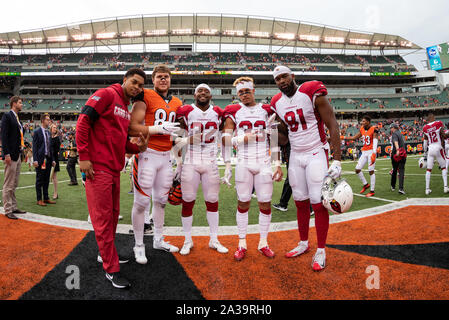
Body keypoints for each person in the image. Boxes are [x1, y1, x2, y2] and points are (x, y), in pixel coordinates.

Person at [76, 68, 148, 289]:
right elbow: (82, 122)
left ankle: (105, 255)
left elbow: (120, 143)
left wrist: (138, 147)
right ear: (124, 80)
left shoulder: (125, 107)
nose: (137, 87)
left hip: (113, 169)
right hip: (98, 169)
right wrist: (84, 156)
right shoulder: (107, 94)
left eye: (140, 85)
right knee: (104, 220)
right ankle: (111, 268)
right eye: (134, 82)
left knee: (113, 217)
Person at [271, 65, 342, 271]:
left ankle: (321, 249)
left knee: (318, 204)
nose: (282, 81)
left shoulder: (311, 91)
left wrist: (336, 160)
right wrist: (272, 132)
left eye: (284, 76)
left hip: (315, 152)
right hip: (296, 155)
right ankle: (303, 243)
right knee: (300, 202)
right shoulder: (277, 102)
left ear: (292, 76)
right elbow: (283, 138)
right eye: (277, 79)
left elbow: (333, 125)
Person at [221, 76, 283, 261]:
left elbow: (273, 139)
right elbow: (224, 140)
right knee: (243, 203)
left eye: (247, 91)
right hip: (244, 163)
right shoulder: (234, 112)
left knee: (265, 203)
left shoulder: (265, 110)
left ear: (253, 90)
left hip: (264, 162)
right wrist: (242, 139)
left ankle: (263, 242)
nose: (244, 95)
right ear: (237, 94)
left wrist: (277, 163)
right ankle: (242, 243)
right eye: (240, 92)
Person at [128, 64, 183, 264]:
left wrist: (179, 159)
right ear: (153, 79)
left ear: (170, 79)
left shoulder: (177, 102)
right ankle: (139, 245)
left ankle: (158, 240)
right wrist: (158, 129)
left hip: (166, 157)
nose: (163, 80)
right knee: (141, 202)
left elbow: (179, 134)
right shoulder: (145, 96)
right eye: (159, 76)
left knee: (161, 201)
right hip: (147, 155)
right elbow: (132, 128)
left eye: (166, 77)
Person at [175, 83, 228, 255]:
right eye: (200, 91)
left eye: (206, 91)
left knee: (212, 200)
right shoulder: (185, 111)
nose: (203, 93)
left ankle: (214, 239)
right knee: (188, 200)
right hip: (191, 160)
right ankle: (187, 240)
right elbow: (177, 139)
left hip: (211, 161)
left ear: (211, 96)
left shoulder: (219, 113)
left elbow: (224, 137)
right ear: (194, 94)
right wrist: (178, 162)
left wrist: (227, 164)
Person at [1, 96, 27, 219]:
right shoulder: (7, 116)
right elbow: (4, 136)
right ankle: (7, 209)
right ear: (14, 103)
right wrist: (6, 154)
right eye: (20, 102)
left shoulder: (18, 119)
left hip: (17, 154)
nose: (22, 104)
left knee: (14, 182)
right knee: (8, 183)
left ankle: (13, 206)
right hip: (11, 154)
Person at [342, 115, 378, 197]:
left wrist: (374, 153)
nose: (362, 122)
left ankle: (372, 191)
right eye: (362, 121)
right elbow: (354, 137)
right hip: (364, 151)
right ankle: (366, 184)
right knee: (357, 169)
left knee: (371, 171)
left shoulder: (374, 129)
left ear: (368, 122)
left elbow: (375, 139)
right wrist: (343, 137)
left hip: (371, 151)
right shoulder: (362, 129)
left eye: (364, 121)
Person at [33, 114, 56, 206]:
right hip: (40, 159)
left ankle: (46, 198)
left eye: (49, 120)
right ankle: (39, 199)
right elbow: (35, 147)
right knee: (39, 179)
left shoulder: (48, 132)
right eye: (47, 120)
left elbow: (50, 148)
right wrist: (35, 160)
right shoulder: (37, 131)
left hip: (48, 159)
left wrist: (53, 159)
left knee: (46, 179)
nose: (49, 121)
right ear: (42, 120)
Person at [422, 113, 449, 195]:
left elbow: (425, 142)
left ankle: (427, 189)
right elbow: (444, 135)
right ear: (432, 118)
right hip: (438, 147)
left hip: (430, 149)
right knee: (444, 168)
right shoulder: (438, 123)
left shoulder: (425, 128)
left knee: (429, 169)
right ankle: (445, 187)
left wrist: (425, 153)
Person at [272, 142, 291, 212]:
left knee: (291, 178)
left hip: (292, 150)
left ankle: (283, 203)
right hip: (292, 150)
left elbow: (275, 139)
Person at [390, 123, 406, 194]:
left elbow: (395, 142)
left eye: (391, 128)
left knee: (395, 170)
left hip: (396, 154)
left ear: (394, 128)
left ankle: (393, 186)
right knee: (401, 170)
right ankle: (401, 188)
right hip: (403, 153)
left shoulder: (394, 134)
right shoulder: (400, 134)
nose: (391, 129)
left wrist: (397, 150)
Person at [50, 123, 61, 199]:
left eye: (55, 127)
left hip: (54, 158)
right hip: (49, 158)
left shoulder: (57, 138)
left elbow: (57, 150)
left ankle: (55, 193)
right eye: (53, 127)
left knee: (54, 176)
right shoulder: (49, 137)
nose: (55, 129)